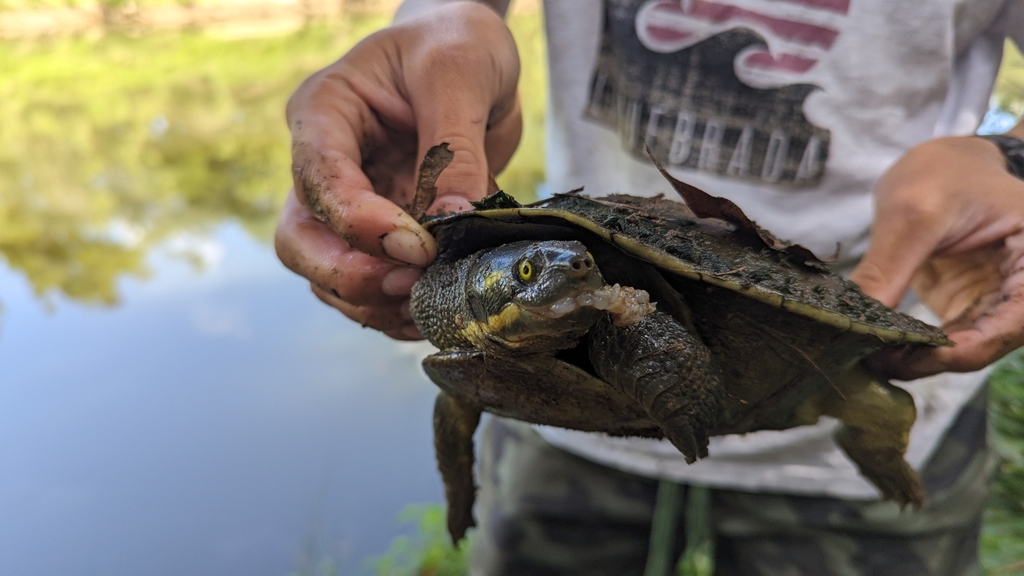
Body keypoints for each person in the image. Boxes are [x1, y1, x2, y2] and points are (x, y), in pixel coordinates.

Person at [275, 0, 1024, 573]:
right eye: (539, 271)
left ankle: (877, 444)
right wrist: (441, 23)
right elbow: (459, 387)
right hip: (560, 452)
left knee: (871, 403)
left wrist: (1012, 158)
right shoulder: (465, 310)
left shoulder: (605, 300)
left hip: (866, 341)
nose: (575, 272)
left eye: (576, 270)